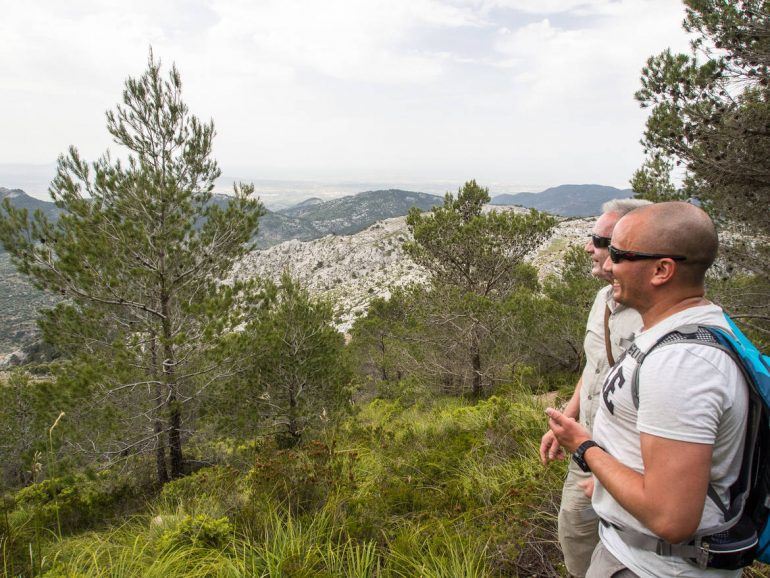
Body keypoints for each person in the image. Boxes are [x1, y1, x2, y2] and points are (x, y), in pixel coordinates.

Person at [546, 201, 748, 578]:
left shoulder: (682, 364)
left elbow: (671, 518)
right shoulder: (669, 335)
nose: (607, 264)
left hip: (651, 566)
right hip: (630, 548)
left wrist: (586, 449)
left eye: (619, 255)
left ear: (662, 270)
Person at [540, 198, 649, 577]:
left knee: (623, 553)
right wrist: (570, 416)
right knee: (575, 531)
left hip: (627, 465)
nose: (589, 246)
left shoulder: (654, 315)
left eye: (600, 240)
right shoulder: (604, 299)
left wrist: (612, 477)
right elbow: (594, 364)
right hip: (585, 450)